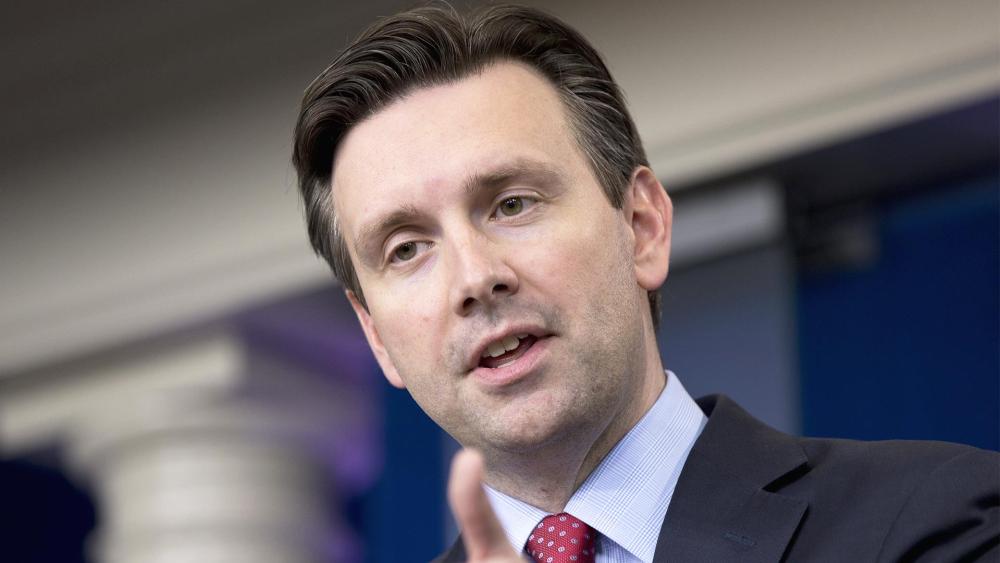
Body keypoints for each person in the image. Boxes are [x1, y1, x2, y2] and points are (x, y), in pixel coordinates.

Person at [292, 4, 999, 562]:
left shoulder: (934, 517)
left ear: (642, 227)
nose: (474, 277)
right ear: (376, 336)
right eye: (408, 248)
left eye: (512, 204)